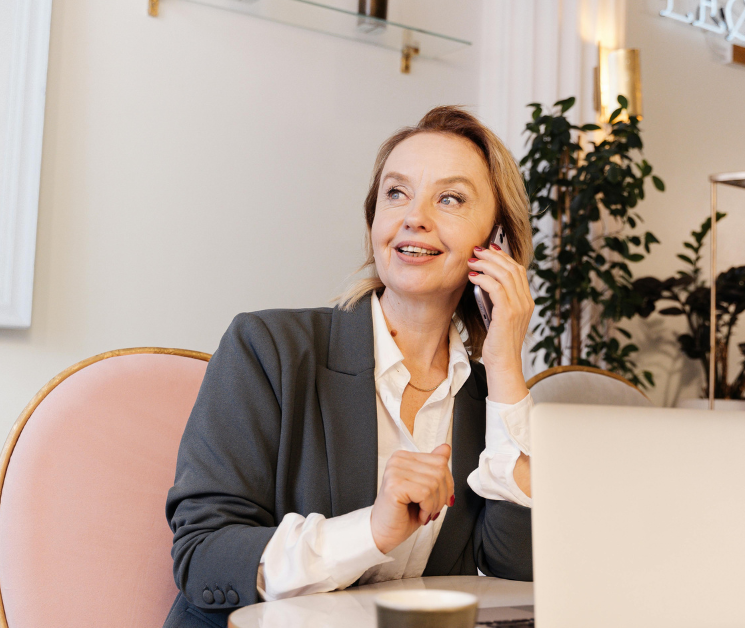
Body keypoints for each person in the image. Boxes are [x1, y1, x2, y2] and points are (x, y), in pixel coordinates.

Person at [163, 106, 536, 628]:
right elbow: (204, 556)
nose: (414, 217)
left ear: (494, 243)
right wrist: (372, 532)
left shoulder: (485, 402)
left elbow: (516, 575)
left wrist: (504, 367)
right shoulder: (267, 347)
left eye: (449, 198)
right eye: (396, 193)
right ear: (375, 223)